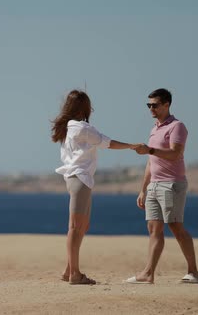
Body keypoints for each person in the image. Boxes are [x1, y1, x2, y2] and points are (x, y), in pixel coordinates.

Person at [52, 89, 139, 285]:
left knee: (81, 226)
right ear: (84, 107)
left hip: (76, 179)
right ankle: (74, 274)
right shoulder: (82, 128)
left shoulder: (68, 127)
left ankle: (69, 270)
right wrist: (132, 146)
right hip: (80, 179)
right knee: (75, 227)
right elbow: (107, 143)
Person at [125, 88, 198, 284]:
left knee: (176, 227)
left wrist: (149, 149)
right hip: (154, 186)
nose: (151, 108)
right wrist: (143, 188)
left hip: (172, 184)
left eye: (155, 105)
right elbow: (151, 161)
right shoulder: (154, 128)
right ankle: (148, 273)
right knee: (154, 229)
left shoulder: (177, 126)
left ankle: (193, 272)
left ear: (166, 105)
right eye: (148, 105)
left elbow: (175, 154)